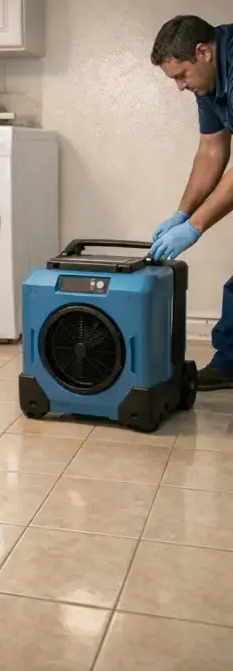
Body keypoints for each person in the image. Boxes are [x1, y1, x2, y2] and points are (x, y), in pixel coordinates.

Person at [150, 15, 233, 390]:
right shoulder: (210, 83)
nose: (180, 87)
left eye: (181, 75)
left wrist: (196, 226)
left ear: (203, 52)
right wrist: (182, 213)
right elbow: (212, 148)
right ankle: (230, 364)